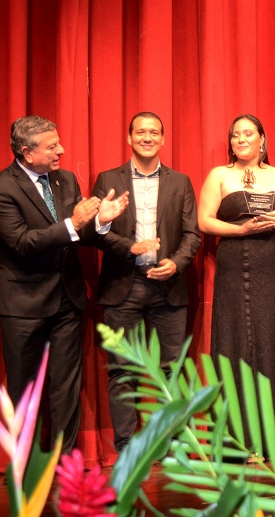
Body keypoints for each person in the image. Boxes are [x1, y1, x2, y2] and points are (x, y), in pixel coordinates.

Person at [0, 115, 129, 452]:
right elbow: (23, 243)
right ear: (27, 153)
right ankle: (23, 468)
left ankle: (66, 463)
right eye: (52, 146)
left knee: (66, 388)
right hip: (23, 305)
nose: (62, 150)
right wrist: (75, 222)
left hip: (67, 302)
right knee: (23, 390)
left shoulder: (66, 180)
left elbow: (80, 233)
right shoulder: (4, 188)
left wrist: (100, 221)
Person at [93, 111, 202, 453]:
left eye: (154, 132)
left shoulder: (180, 181)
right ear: (129, 138)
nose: (147, 137)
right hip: (123, 286)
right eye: (140, 132)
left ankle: (170, 442)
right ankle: (127, 445)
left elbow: (192, 234)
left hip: (168, 286)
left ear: (163, 139)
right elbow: (96, 232)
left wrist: (177, 263)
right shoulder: (107, 178)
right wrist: (131, 248)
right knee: (123, 370)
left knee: (172, 368)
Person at [198, 114, 275, 444]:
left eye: (248, 133)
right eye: (235, 135)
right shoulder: (219, 175)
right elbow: (204, 221)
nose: (241, 139)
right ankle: (238, 443)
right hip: (235, 267)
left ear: (262, 139)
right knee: (237, 344)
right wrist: (240, 229)